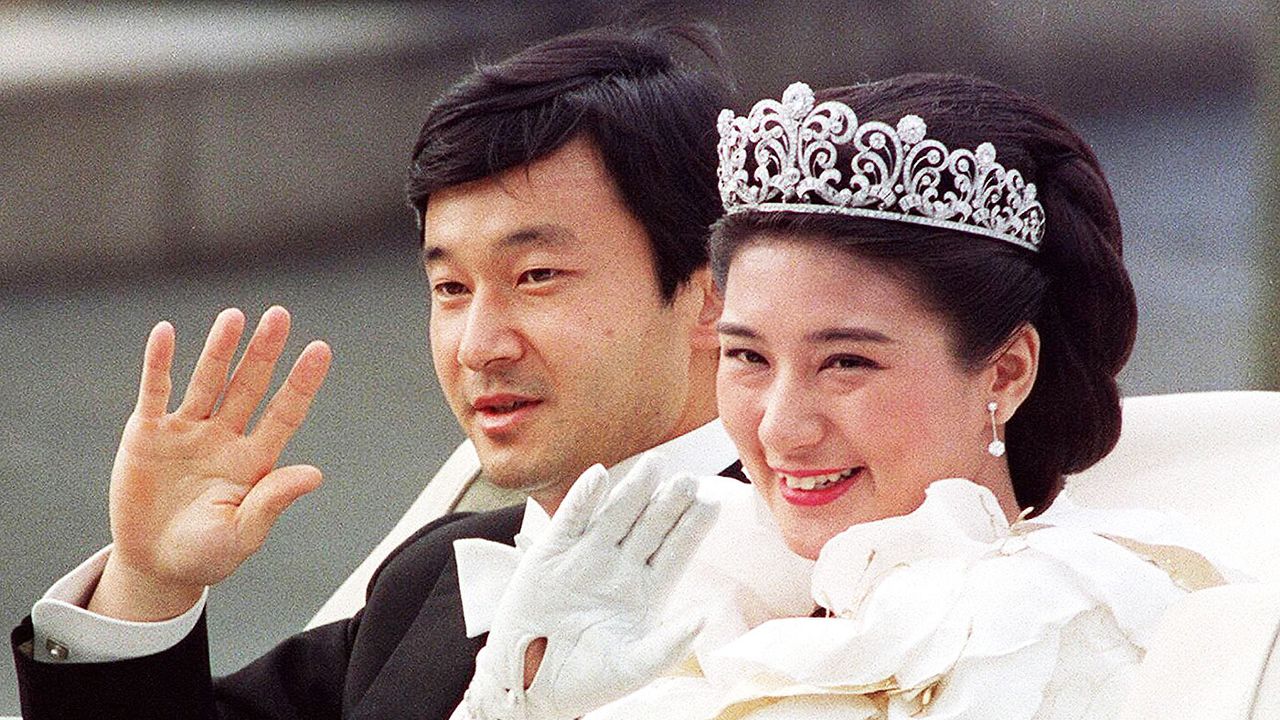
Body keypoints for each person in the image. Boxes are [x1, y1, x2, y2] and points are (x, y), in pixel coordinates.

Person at [9, 22, 790, 720]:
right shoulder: (430, 580)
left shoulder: (829, 577)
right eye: (450, 287)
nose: (478, 345)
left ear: (712, 293)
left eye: (537, 276)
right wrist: (148, 583)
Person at [449, 74, 1236, 720]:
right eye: (747, 356)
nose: (782, 428)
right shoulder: (701, 583)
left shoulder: (1049, 627)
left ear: (1004, 371)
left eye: (847, 363)